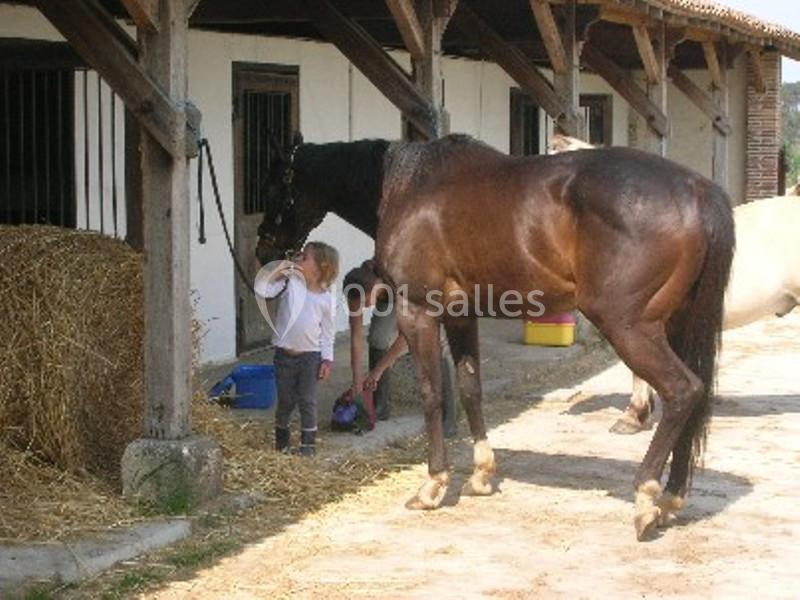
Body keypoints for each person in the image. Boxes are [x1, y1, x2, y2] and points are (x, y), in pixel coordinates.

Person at [343, 261, 457, 437]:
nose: (365, 307)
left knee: (435, 344)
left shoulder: (403, 279)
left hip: (424, 292)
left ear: (374, 288)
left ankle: (448, 418)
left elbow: (408, 336)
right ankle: (379, 405)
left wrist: (378, 371)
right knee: (377, 337)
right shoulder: (357, 286)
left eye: (366, 301)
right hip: (387, 295)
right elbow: (356, 338)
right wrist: (357, 381)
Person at [254, 241, 339, 456]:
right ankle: (282, 442)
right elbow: (263, 290)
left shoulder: (327, 299)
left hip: (310, 357)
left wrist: (327, 359)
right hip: (284, 355)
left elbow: (328, 333)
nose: (299, 259)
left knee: (307, 400)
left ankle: (308, 445)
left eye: (305, 257)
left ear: (321, 267)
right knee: (285, 401)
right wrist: (281, 270)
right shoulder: (290, 283)